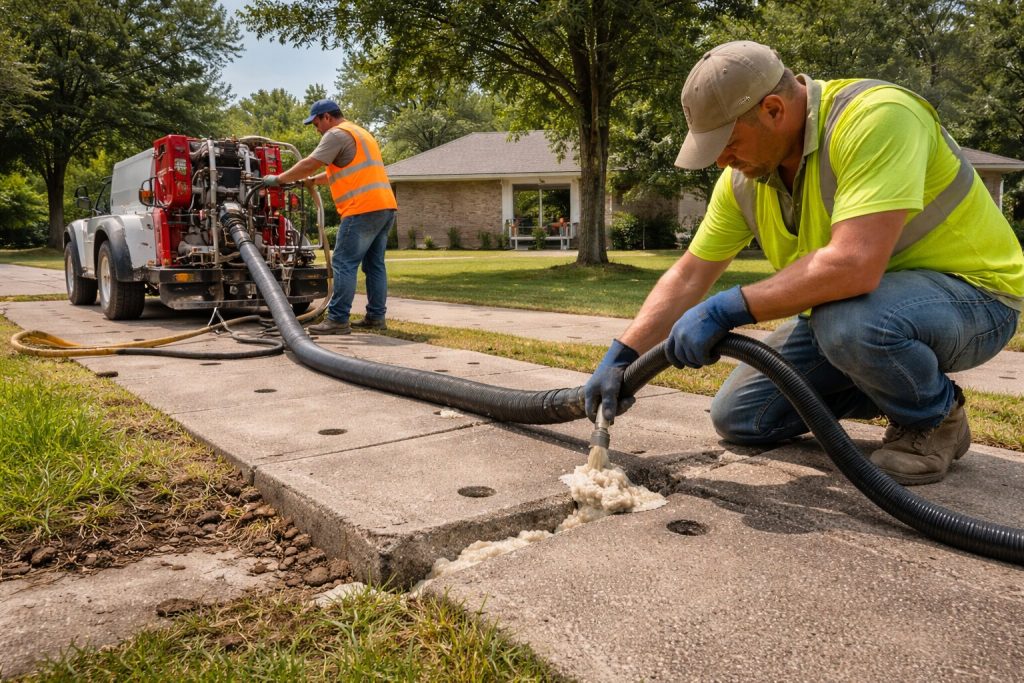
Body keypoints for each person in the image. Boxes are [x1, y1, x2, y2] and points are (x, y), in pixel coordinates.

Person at [585, 41, 1023, 486]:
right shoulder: (744, 180)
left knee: (851, 325)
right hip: (857, 310)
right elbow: (689, 274)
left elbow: (854, 265)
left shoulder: (877, 117)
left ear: (774, 110)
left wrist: (725, 308)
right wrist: (623, 356)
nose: (721, 160)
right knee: (741, 417)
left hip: (975, 297)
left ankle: (935, 416)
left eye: (728, 142)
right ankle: (883, 381)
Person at [261, 99, 398, 334]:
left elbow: (310, 163)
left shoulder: (336, 134)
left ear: (327, 117)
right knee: (375, 265)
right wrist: (314, 182)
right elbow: (341, 170)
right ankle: (376, 317)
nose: (317, 130)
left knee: (343, 263)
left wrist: (279, 179)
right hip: (384, 207)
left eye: (316, 124)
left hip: (360, 208)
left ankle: (337, 319)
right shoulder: (360, 133)